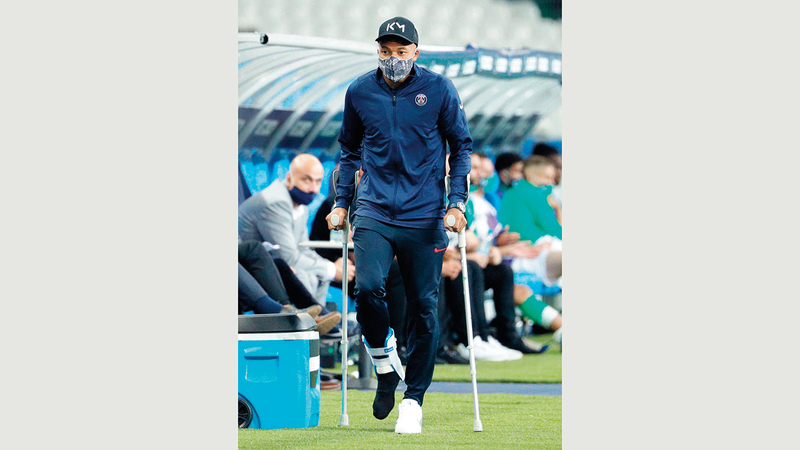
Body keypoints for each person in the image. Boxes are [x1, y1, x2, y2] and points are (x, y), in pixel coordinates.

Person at [326, 16, 472, 435]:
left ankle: (414, 400)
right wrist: (341, 203)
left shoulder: (439, 89)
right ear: (378, 51)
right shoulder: (360, 90)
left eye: (401, 51)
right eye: (385, 51)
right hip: (374, 210)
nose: (393, 58)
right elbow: (348, 150)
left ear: (416, 53)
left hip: (425, 215)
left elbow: (461, 146)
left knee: (424, 307)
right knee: (368, 287)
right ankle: (385, 366)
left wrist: (456, 202)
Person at [238, 153, 355, 307]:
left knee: (319, 274)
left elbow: (303, 249)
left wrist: (331, 268)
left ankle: (318, 318)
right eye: (307, 180)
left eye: (318, 181)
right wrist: (332, 269)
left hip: (273, 263)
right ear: (289, 178)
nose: (313, 188)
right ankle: (311, 316)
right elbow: (289, 256)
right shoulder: (276, 202)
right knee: (306, 274)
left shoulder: (300, 206)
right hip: (251, 268)